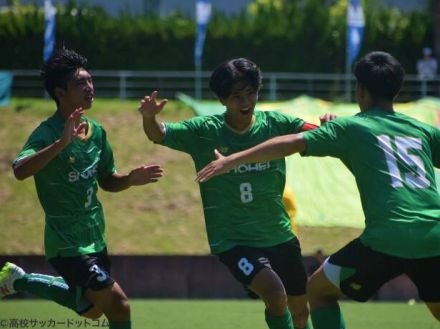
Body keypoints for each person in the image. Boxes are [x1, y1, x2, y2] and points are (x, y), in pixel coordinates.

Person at [195, 51, 440, 328]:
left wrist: (231, 160)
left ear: (361, 90)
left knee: (319, 292)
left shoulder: (353, 127)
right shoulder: (423, 130)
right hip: (435, 234)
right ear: (397, 89)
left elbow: (288, 142)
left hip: (388, 235)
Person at [138, 58, 332, 329]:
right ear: (221, 99)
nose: (246, 102)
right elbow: (158, 134)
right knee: (276, 295)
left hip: (279, 235)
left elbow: (318, 134)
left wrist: (328, 125)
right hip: (234, 242)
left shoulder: (275, 123)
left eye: (251, 93)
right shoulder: (204, 131)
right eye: (237, 96)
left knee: (300, 313)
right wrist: (149, 117)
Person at [0, 47, 164, 329]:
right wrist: (60, 144)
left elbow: (107, 181)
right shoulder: (48, 132)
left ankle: (18, 280)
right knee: (119, 307)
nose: (89, 87)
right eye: (80, 83)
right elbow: (19, 171)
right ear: (60, 93)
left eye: (90, 80)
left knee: (91, 311)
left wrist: (130, 179)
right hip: (66, 243)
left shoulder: (97, 131)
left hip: (95, 237)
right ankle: (19, 280)